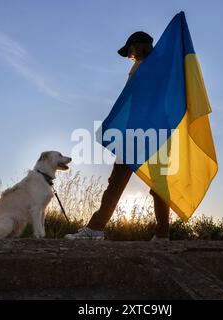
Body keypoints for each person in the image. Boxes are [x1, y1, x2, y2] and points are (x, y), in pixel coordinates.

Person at [65, 32, 170, 242]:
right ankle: (98, 229)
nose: (130, 55)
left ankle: (161, 234)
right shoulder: (140, 66)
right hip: (138, 130)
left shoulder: (160, 65)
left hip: (152, 130)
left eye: (130, 50)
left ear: (140, 45)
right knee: (120, 180)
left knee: (156, 184)